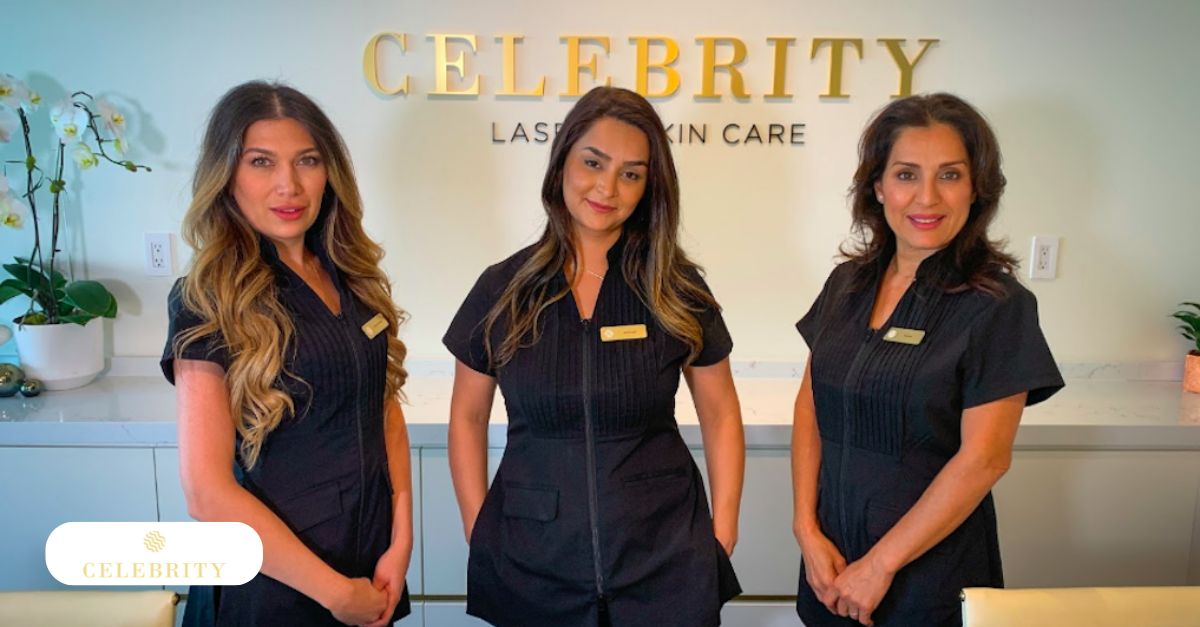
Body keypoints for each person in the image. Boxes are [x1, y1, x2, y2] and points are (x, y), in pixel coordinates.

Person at [443, 86, 745, 627]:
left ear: (650, 186)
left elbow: (720, 412)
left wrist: (723, 529)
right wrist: (478, 526)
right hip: (532, 558)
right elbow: (467, 417)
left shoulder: (676, 288)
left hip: (664, 555)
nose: (607, 187)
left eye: (631, 173)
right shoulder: (503, 288)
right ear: (562, 163)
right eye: (593, 163)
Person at [791, 93, 1065, 626]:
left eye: (950, 175)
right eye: (906, 174)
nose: (927, 197)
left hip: (927, 578)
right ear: (878, 186)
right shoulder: (847, 285)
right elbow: (810, 407)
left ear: (976, 188)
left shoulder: (997, 306)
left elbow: (984, 459)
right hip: (830, 561)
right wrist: (805, 528)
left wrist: (879, 567)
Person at [161, 81, 412, 626]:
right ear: (226, 176)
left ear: (330, 173)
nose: (288, 184)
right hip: (273, 589)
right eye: (260, 162)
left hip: (369, 568)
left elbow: (383, 406)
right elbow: (207, 493)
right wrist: (333, 593)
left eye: (307, 161)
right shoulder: (208, 298)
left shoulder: (353, 277)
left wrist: (401, 536)